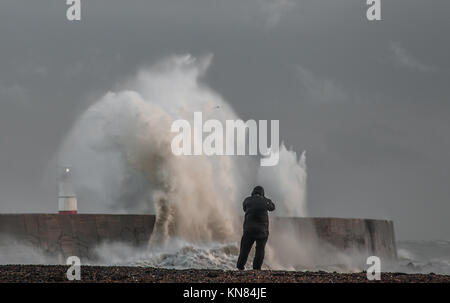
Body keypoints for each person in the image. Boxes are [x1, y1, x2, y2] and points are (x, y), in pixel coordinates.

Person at [236, 185, 275, 270]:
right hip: (262, 231)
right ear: (262, 193)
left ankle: (240, 266)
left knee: (244, 249)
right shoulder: (266, 201)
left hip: (248, 230)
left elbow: (244, 208)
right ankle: (256, 268)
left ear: (253, 192)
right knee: (260, 250)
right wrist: (266, 200)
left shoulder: (247, 200)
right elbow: (272, 208)